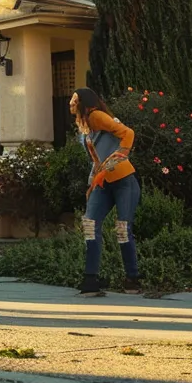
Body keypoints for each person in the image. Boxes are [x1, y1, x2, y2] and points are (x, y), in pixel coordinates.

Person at [72, 87, 142, 297]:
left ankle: (133, 279)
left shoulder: (96, 116)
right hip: (103, 184)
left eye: (74, 100)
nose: (70, 103)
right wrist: (92, 183)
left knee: (122, 229)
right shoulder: (85, 126)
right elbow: (95, 159)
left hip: (123, 181)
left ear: (84, 102)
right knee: (89, 224)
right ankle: (91, 280)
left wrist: (115, 160)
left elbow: (128, 133)